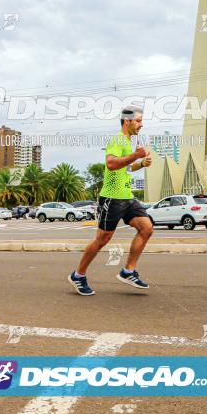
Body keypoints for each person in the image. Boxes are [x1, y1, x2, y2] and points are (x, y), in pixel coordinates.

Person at [69, 106, 153, 296]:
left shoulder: (128, 141)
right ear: (127, 121)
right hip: (112, 198)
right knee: (102, 239)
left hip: (127, 197)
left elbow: (125, 168)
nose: (142, 124)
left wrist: (141, 163)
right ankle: (78, 275)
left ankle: (128, 271)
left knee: (146, 228)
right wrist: (136, 155)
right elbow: (111, 164)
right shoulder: (117, 139)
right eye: (138, 121)